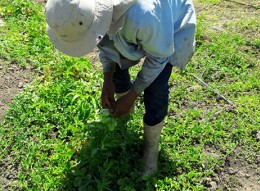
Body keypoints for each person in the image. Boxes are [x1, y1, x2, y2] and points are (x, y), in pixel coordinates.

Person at [45, 0, 196, 175]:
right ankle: (126, 115)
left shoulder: (143, 15)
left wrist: (132, 95)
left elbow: (159, 57)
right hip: (139, 27)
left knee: (156, 88)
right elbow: (105, 43)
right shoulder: (89, 11)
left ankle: (151, 150)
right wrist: (107, 78)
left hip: (170, 23)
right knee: (117, 69)